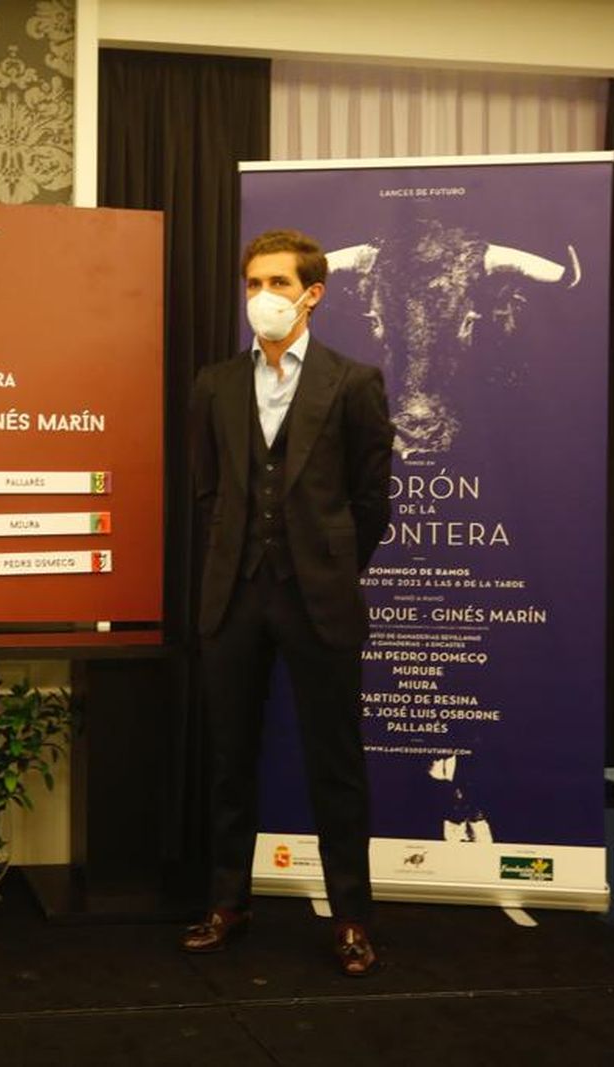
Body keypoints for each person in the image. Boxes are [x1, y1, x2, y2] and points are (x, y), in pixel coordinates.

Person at [184, 229, 394, 976]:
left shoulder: (353, 380)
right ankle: (226, 902)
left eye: (276, 282)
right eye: (251, 284)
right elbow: (208, 491)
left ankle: (351, 917)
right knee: (229, 758)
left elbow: (373, 501)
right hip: (235, 593)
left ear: (313, 293)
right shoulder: (216, 382)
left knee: (335, 762)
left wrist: (330, 564)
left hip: (320, 596)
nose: (261, 298)